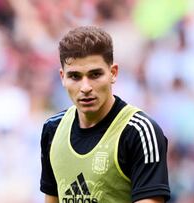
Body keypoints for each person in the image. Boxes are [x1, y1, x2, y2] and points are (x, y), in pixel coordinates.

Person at [40, 26, 170, 203]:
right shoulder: (52, 129)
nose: (85, 87)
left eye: (95, 74)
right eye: (75, 76)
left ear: (113, 73)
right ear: (62, 77)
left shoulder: (139, 131)